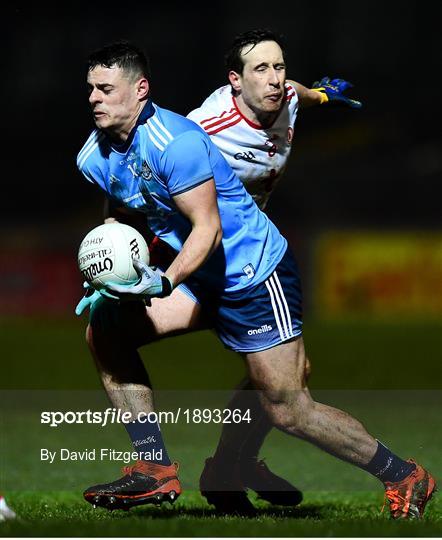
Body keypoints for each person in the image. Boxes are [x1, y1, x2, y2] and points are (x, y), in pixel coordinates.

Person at [75, 40, 435, 520]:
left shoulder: (177, 142)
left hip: (252, 274)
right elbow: (120, 205)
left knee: (288, 407)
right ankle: (155, 466)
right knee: (105, 329)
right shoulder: (92, 157)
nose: (95, 98)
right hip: (200, 275)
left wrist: (162, 281)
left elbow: (209, 229)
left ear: (140, 90)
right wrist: (109, 263)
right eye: (91, 89)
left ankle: (403, 474)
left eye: (106, 88)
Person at [185, 28, 362, 513]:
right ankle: (226, 466)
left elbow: (299, 93)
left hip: (249, 242)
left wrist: (322, 94)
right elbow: (164, 158)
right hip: (219, 253)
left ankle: (229, 467)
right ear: (234, 80)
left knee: (288, 373)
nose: (274, 78)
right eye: (260, 69)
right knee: (286, 384)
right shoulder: (205, 126)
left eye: (279, 66)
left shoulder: (285, 95)